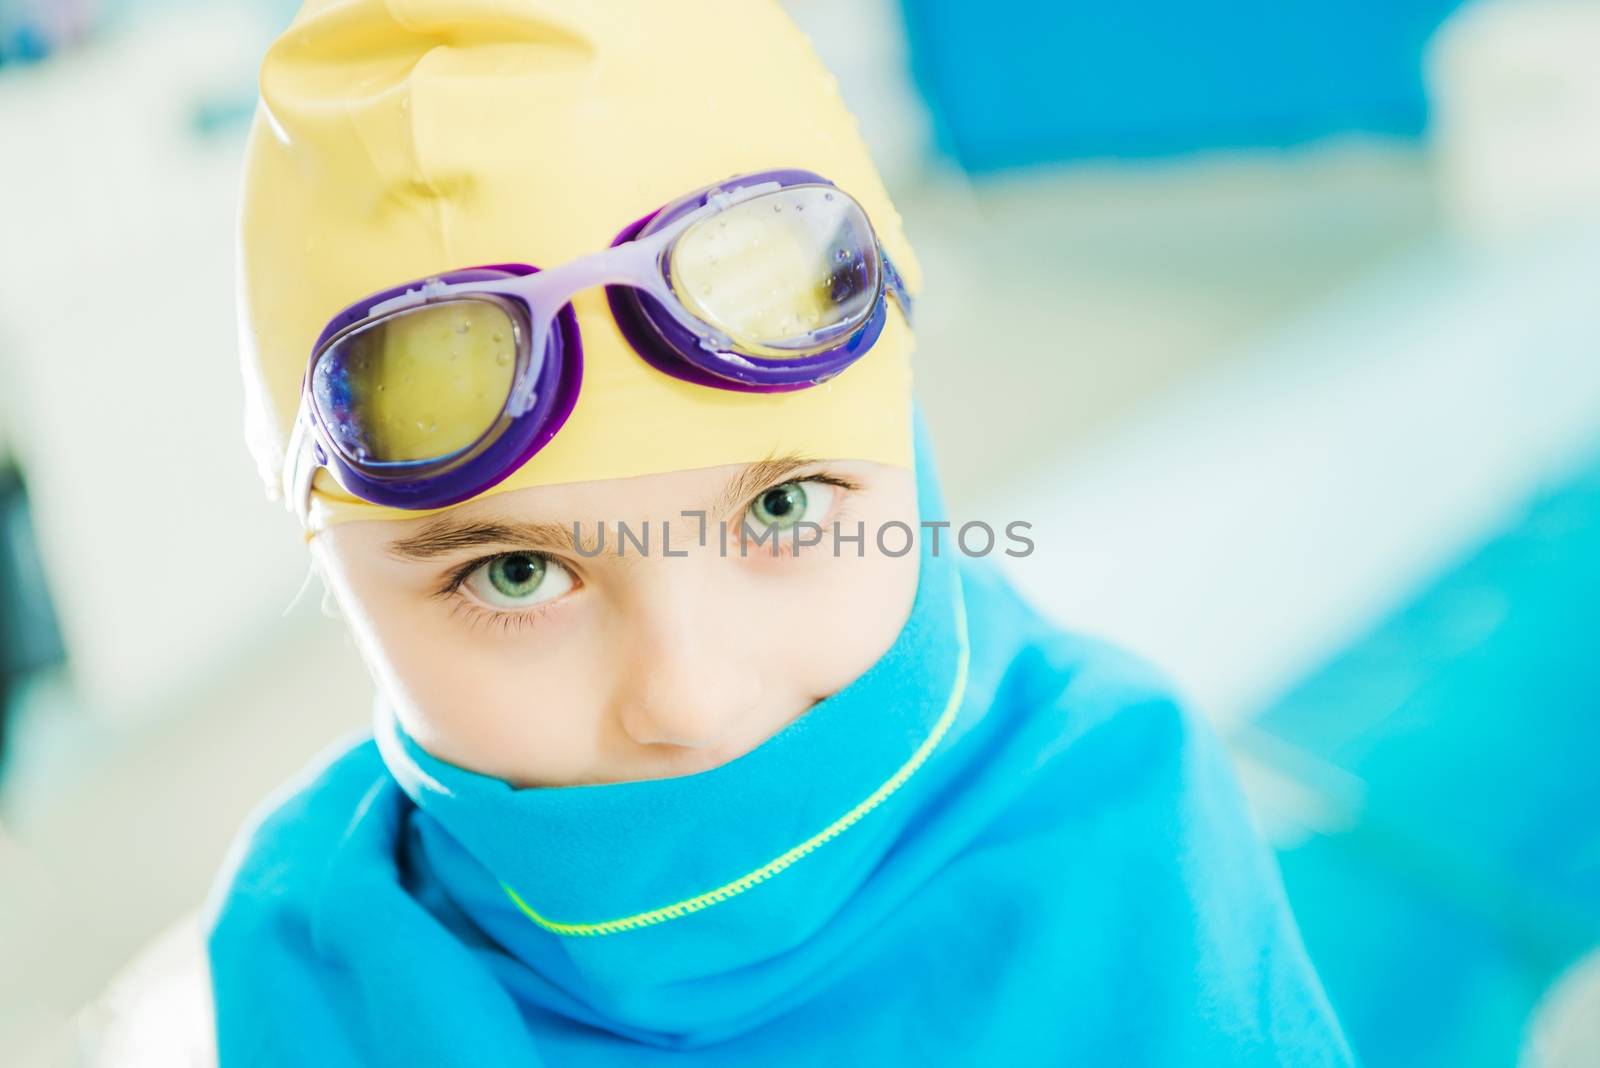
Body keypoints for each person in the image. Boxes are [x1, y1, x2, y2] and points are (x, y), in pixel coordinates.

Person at [201, 0, 1355, 1063]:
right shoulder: (307, 959)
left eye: (781, 507)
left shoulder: (1122, 830)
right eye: (514, 573)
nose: (689, 703)